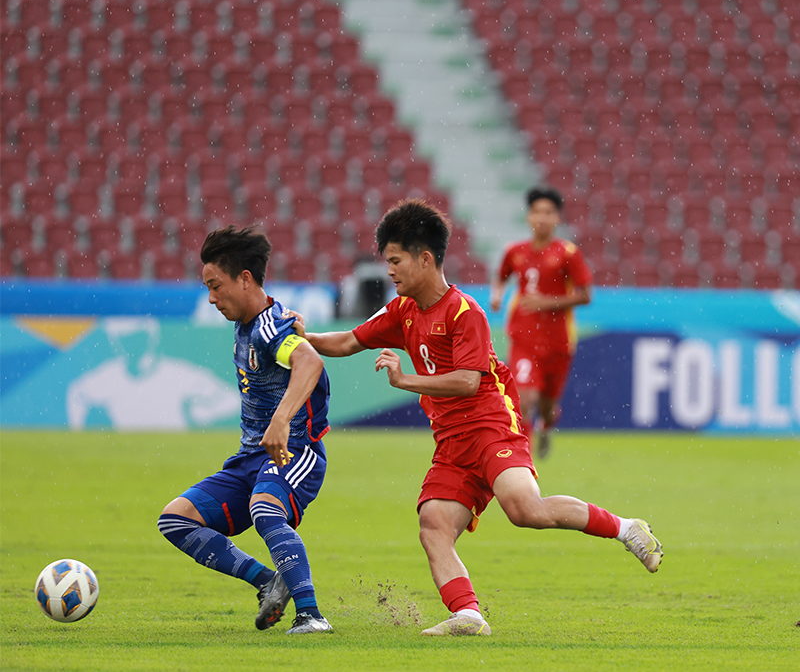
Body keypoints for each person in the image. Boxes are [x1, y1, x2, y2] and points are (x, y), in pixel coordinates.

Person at [289, 199, 662, 637]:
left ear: (424, 259)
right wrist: (305, 335)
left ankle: (625, 528)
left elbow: (467, 381)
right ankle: (468, 614)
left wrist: (405, 381)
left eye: (395, 261)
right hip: (451, 440)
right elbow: (350, 341)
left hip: (491, 424)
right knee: (434, 525)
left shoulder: (465, 312)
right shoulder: (401, 311)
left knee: (525, 510)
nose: (389, 271)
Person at [158, 225, 333, 635]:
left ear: (245, 279)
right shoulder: (246, 327)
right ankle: (267, 580)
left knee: (265, 508)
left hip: (293, 450)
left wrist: (281, 418)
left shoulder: (271, 326)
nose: (211, 298)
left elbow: (310, 363)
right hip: (251, 458)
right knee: (176, 520)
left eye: (215, 286)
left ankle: (311, 616)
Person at [490, 187, 592, 459]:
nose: (542, 218)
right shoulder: (515, 251)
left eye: (548, 212)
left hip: (558, 342)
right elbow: (501, 276)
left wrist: (546, 302)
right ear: (528, 217)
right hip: (523, 337)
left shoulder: (568, 253)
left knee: (547, 407)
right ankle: (523, 462)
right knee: (523, 401)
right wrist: (497, 295)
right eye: (537, 212)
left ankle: (546, 426)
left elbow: (585, 296)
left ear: (557, 218)